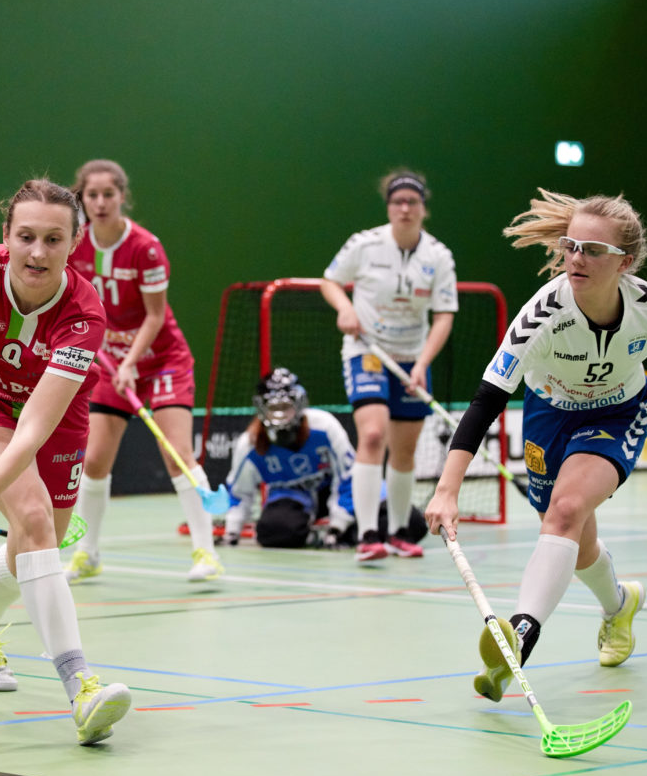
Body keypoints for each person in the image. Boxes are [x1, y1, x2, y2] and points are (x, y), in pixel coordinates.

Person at [426, 189, 647, 702]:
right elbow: (486, 400)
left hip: (617, 412)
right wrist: (447, 488)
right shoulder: (543, 314)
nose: (575, 258)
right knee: (576, 539)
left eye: (592, 250)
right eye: (571, 246)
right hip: (548, 416)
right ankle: (620, 605)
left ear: (625, 263)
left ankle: (518, 638)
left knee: (565, 510)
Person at [0, 179, 132, 746]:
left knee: (39, 543)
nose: (37, 252)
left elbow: (33, 432)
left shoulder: (85, 313)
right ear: (6, 236)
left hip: (55, 419)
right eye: (26, 237)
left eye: (53, 240)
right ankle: (81, 687)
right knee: (32, 520)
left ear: (74, 244)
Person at [60, 159, 222, 583]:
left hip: (161, 358)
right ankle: (87, 554)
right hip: (111, 363)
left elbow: (155, 315)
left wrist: (132, 362)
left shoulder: (146, 247)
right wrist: (100, 352)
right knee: (93, 460)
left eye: (108, 195)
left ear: (122, 197)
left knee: (177, 456)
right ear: (82, 198)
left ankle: (206, 552)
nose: (99, 203)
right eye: (91, 195)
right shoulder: (75, 245)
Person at [320, 169, 457, 563]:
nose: (404, 208)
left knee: (404, 450)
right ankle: (367, 534)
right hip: (368, 351)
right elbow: (329, 281)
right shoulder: (363, 245)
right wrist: (345, 307)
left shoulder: (438, 256)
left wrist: (423, 363)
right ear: (389, 207)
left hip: (413, 357)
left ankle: (398, 532)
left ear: (422, 208)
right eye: (397, 202)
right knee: (374, 435)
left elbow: (444, 315)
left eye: (412, 202)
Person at [223, 367, 428, 548]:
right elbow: (239, 491)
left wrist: (337, 526)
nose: (280, 415)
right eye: (274, 409)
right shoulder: (249, 444)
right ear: (262, 408)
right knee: (273, 533)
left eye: (286, 407)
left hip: (339, 492)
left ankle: (349, 531)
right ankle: (321, 535)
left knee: (413, 524)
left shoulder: (324, 427)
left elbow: (349, 477)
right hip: (292, 497)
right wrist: (232, 531)